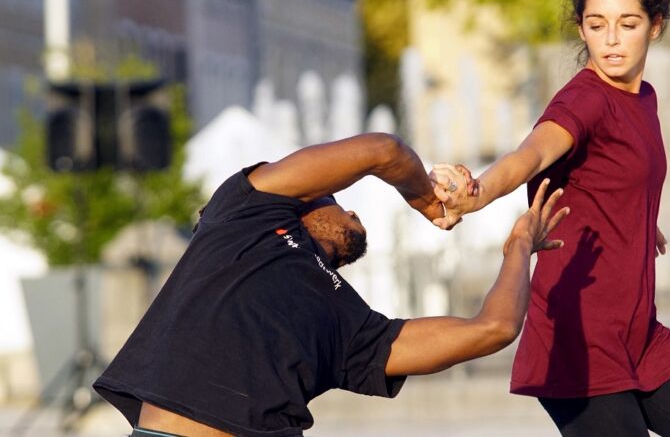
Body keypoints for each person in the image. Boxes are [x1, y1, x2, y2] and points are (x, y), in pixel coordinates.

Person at [430, 0, 670, 435]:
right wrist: (475, 194)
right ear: (581, 27)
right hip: (578, 341)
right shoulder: (584, 100)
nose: (612, 40)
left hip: (638, 335)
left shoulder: (643, 98)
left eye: (628, 24)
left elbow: (615, 172)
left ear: (655, 25)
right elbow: (530, 155)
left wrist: (639, 218)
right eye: (596, 26)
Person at [93, 132, 568, 437]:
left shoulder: (354, 328)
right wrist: (428, 200)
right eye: (339, 200)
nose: (354, 210)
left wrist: (520, 245)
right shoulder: (242, 217)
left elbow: (495, 328)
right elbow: (382, 153)